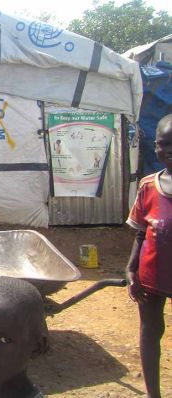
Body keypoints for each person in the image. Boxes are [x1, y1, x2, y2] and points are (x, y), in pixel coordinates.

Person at [126, 114, 172, 398]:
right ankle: (152, 393)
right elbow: (140, 232)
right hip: (152, 274)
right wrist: (131, 269)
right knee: (151, 329)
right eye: (162, 145)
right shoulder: (148, 186)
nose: (168, 152)